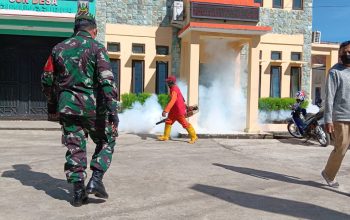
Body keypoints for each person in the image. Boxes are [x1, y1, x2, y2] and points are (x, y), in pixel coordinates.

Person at [41, 12, 119, 206]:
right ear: (94, 30)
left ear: (75, 29)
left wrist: (52, 105)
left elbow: (47, 79)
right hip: (94, 108)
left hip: (67, 108)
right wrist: (113, 111)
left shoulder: (58, 49)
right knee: (107, 139)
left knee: (75, 147)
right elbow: (107, 80)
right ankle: (96, 180)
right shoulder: (97, 48)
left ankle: (77, 194)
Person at [321, 40, 350, 188]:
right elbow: (329, 97)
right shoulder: (334, 72)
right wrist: (328, 119)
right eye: (344, 52)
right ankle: (328, 173)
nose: (347, 55)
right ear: (340, 54)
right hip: (340, 117)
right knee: (342, 148)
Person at [158, 76, 198, 144]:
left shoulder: (174, 89)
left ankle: (194, 137)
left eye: (168, 82)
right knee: (168, 121)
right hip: (174, 110)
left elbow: (173, 100)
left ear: (171, 82)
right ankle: (165, 136)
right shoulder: (175, 88)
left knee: (185, 124)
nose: (167, 83)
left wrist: (165, 110)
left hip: (178, 111)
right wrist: (186, 106)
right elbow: (181, 98)